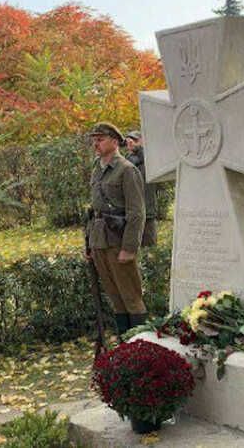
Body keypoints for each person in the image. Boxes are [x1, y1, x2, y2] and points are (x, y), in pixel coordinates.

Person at [85, 122, 146, 335]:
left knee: (130, 296)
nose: (96, 144)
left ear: (114, 141)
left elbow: (137, 213)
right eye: (94, 140)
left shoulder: (127, 170)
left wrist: (129, 248)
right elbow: (94, 210)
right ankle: (125, 347)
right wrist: (90, 245)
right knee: (115, 296)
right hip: (100, 241)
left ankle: (141, 345)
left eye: (100, 139)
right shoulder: (97, 168)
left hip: (119, 241)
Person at [124, 130, 157, 248]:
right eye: (128, 142)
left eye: (135, 140)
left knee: (149, 244)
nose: (131, 143)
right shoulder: (127, 159)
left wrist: (139, 148)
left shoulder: (148, 156)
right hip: (132, 210)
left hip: (147, 207)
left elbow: (146, 157)